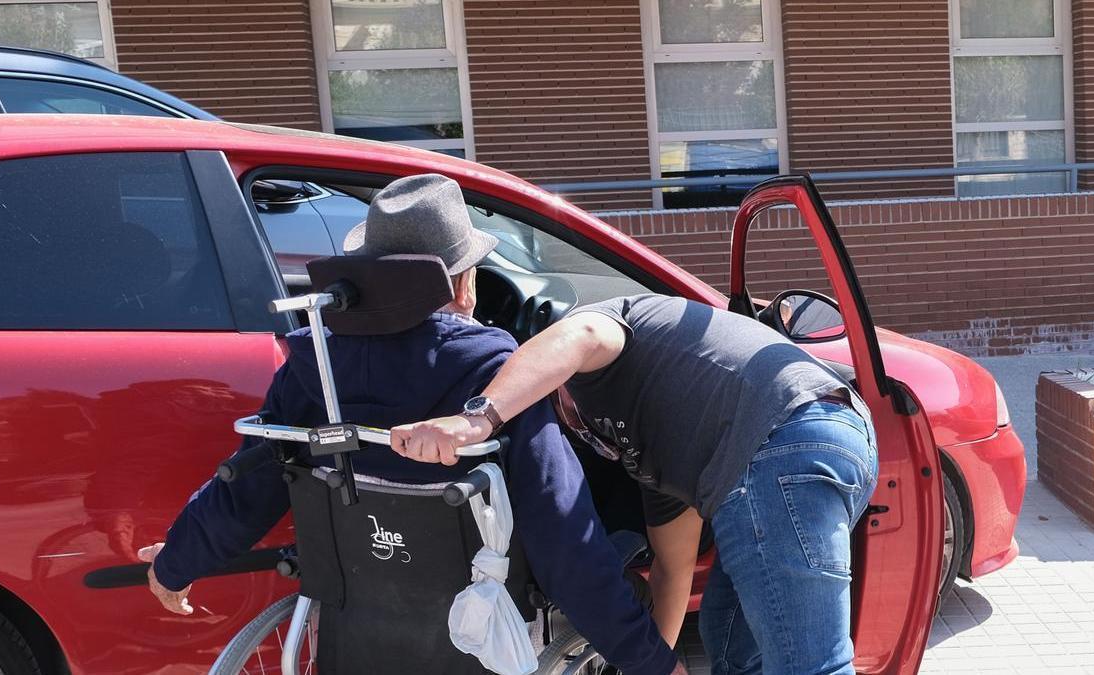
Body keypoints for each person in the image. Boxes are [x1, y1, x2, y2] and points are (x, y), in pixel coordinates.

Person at [137, 174, 684, 675]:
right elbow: (562, 531)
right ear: (462, 282)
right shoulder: (493, 370)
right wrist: (648, 659)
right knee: (624, 549)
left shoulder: (316, 367)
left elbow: (247, 485)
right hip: (481, 622)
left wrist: (177, 562)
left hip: (360, 614)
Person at [392, 294, 880, 675]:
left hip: (784, 440)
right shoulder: (654, 458)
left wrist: (479, 419)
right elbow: (674, 568)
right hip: (812, 445)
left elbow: (578, 336)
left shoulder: (603, 331)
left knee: (806, 665)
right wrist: (654, 664)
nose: (569, 432)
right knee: (729, 638)